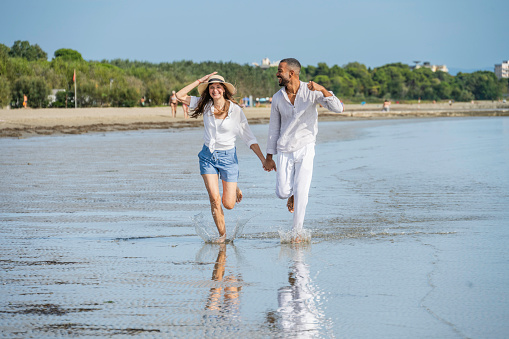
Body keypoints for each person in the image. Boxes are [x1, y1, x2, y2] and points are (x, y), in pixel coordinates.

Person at [176, 72, 266, 242]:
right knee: (215, 200)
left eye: (218, 87)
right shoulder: (204, 104)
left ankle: (234, 186)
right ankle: (223, 237)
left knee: (228, 204)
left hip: (228, 158)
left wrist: (263, 159)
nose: (215, 90)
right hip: (207, 157)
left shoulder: (235, 110)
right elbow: (179, 96)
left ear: (224, 90)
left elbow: (249, 138)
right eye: (211, 87)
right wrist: (200, 80)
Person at [263, 58, 344, 243]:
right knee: (282, 192)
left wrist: (323, 90)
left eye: (279, 70)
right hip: (284, 148)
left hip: (306, 146)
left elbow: (338, 108)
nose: (277, 74)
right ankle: (291, 194)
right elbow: (273, 128)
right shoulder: (277, 97)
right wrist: (269, 157)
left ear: (291, 73)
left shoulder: (312, 92)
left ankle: (296, 233)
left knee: (302, 191)